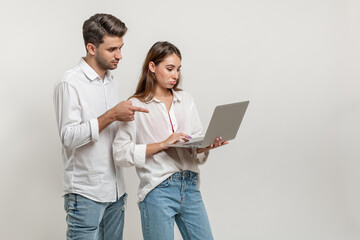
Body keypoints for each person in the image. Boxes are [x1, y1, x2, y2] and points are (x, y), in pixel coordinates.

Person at [113, 41, 228, 240]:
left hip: (190, 186)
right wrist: (163, 143)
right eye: (169, 68)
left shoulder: (186, 100)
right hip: (158, 190)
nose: (175, 75)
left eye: (178, 69)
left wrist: (206, 146)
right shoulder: (136, 105)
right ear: (152, 67)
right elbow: (120, 153)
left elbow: (193, 144)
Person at [53, 13, 148, 240]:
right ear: (91, 48)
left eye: (121, 47)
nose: (120, 55)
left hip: (116, 192)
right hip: (86, 194)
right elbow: (69, 136)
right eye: (112, 49)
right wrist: (112, 115)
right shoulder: (70, 83)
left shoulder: (110, 80)